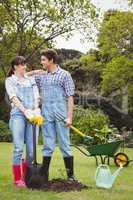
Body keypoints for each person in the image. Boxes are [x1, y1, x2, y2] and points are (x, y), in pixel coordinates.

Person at [30, 49, 77, 182]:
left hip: (61, 113)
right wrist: (35, 72)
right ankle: (44, 177)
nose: (42, 62)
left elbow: (70, 97)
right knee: (47, 144)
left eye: (44, 60)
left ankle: (71, 176)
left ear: (51, 60)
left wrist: (69, 117)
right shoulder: (41, 76)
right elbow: (22, 77)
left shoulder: (64, 75)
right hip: (46, 113)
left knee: (64, 144)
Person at [5, 56, 40, 187]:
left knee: (31, 150)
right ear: (15, 67)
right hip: (18, 115)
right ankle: (18, 179)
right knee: (18, 148)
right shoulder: (10, 81)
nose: (24, 66)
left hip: (33, 115)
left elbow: (37, 96)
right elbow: (13, 97)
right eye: (22, 64)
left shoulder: (30, 80)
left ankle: (27, 176)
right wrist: (25, 111)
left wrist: (36, 109)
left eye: (25, 64)